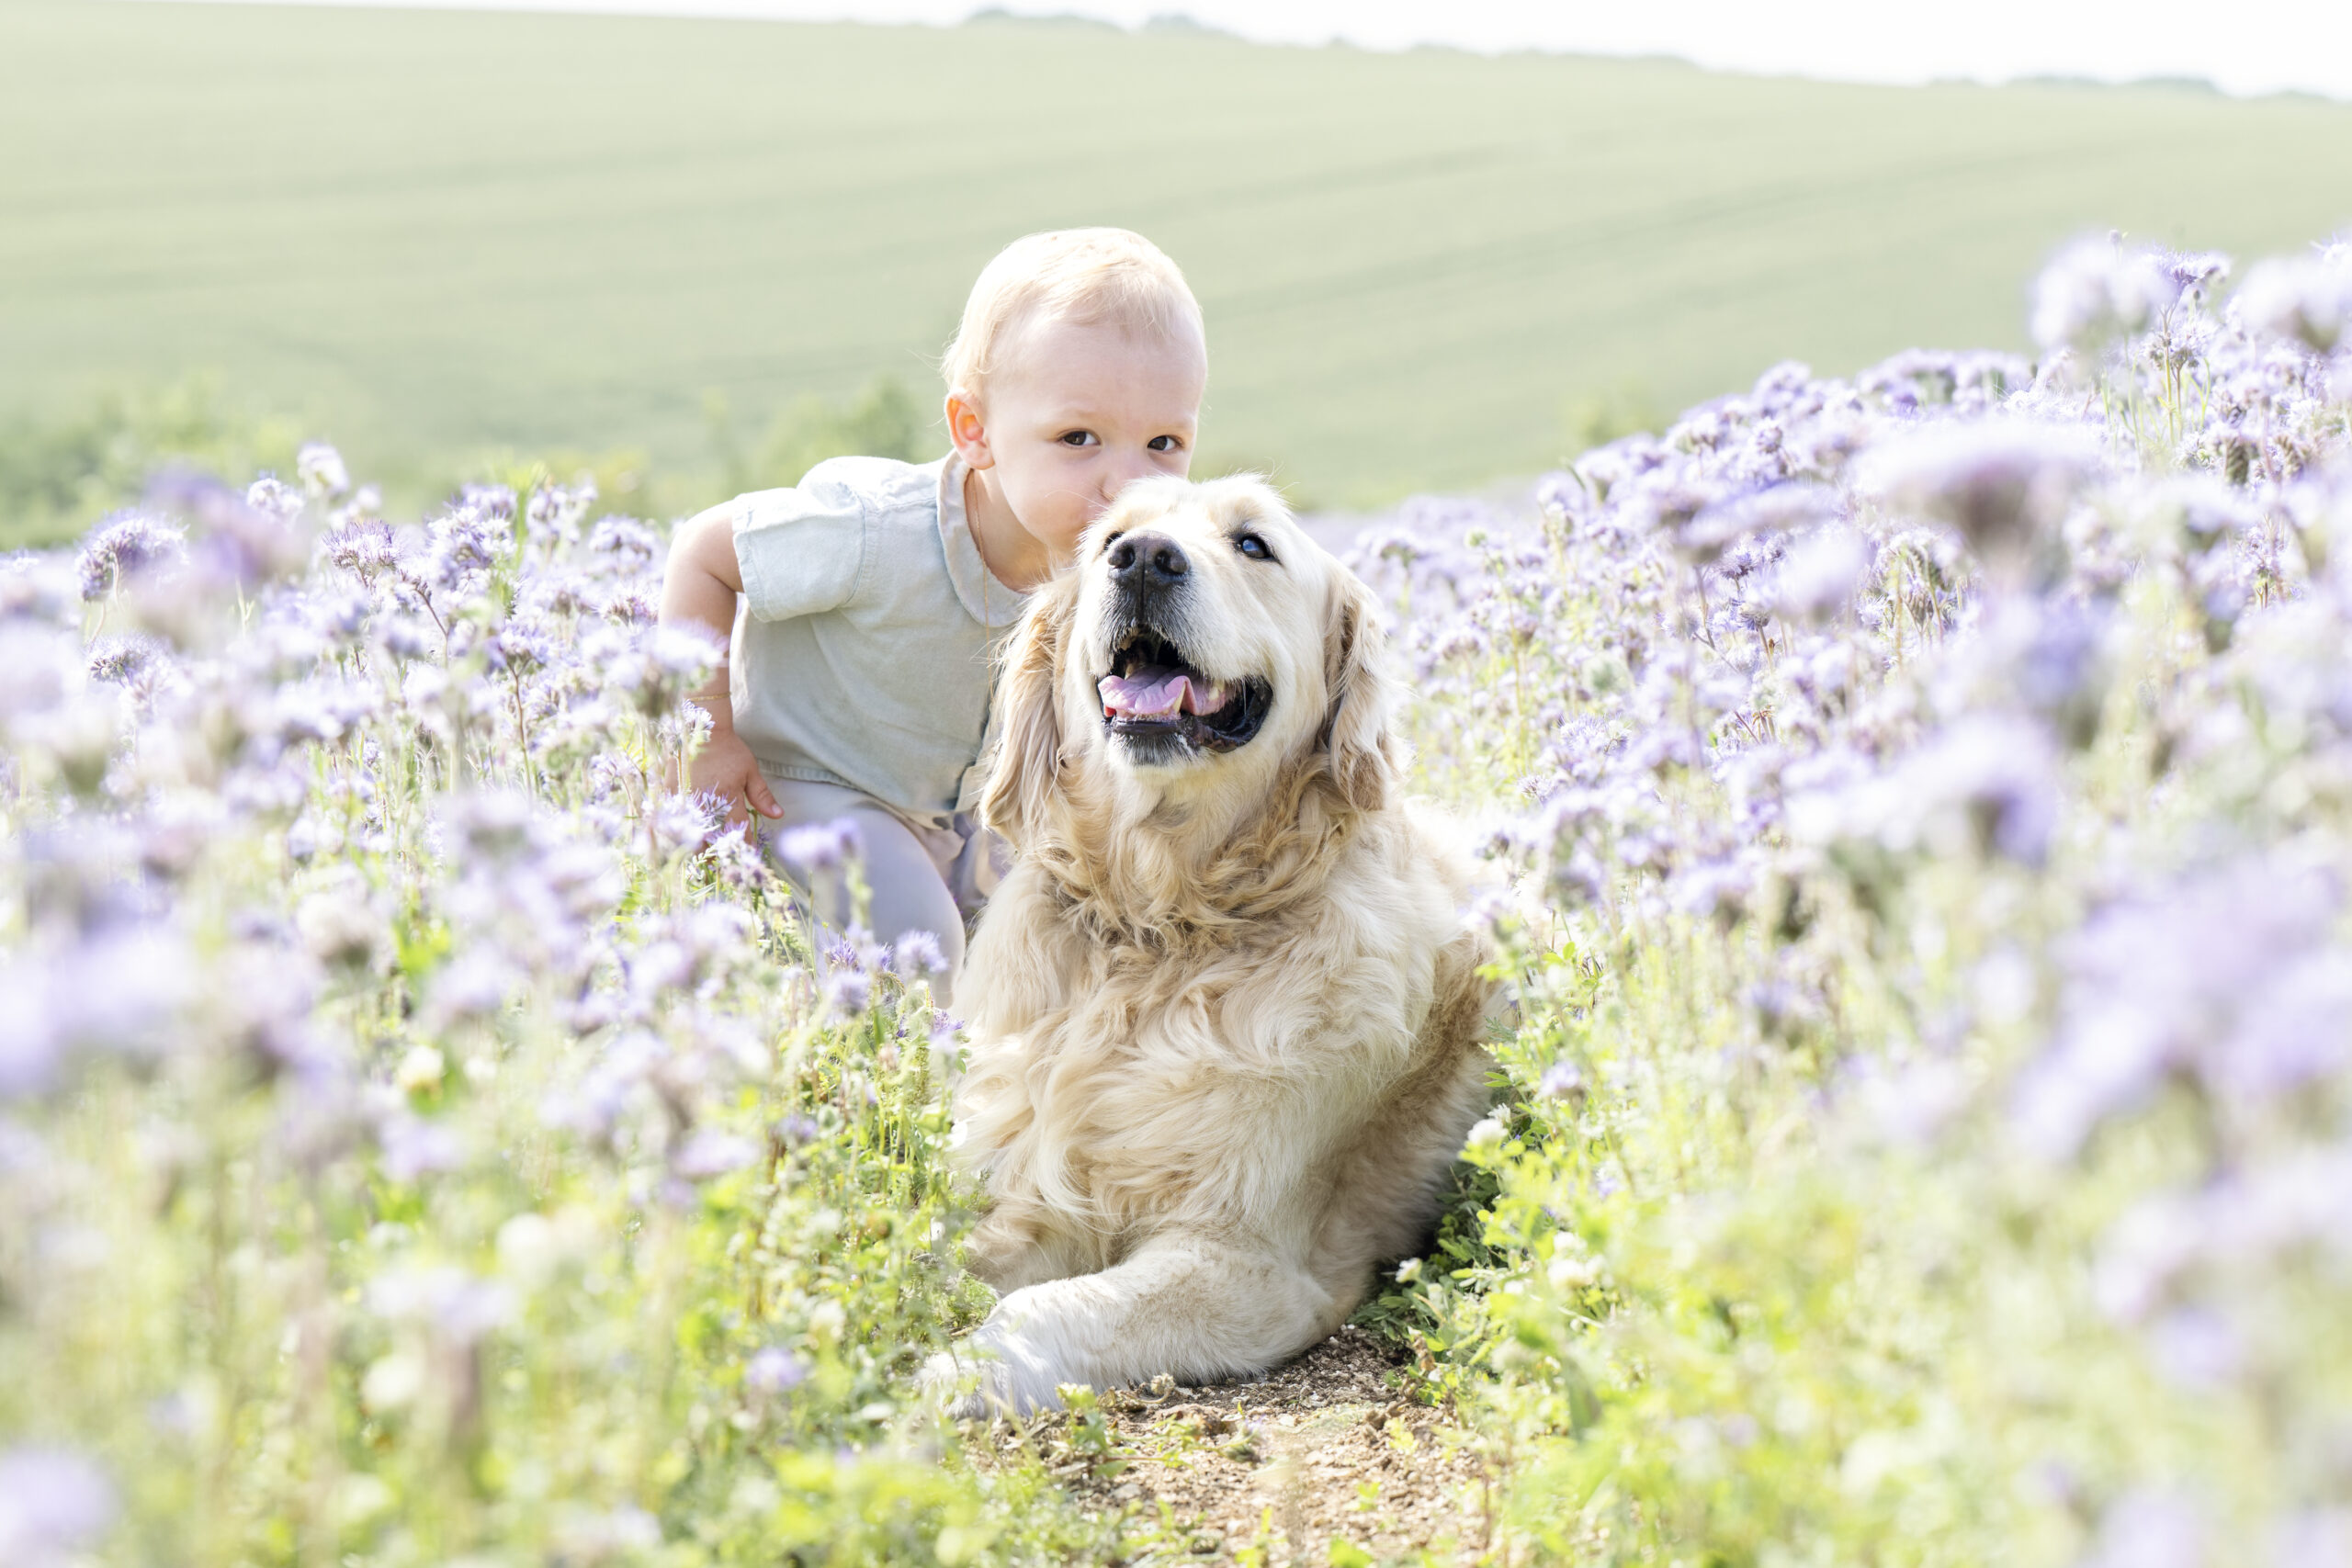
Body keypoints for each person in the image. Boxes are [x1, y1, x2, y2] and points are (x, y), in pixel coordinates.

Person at [658, 228, 1209, 1001]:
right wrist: (706, 736)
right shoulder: (871, 531)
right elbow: (701, 553)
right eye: (1078, 438)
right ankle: (887, 1091)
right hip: (814, 781)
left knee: (1071, 943)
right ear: (973, 431)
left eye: (1163, 443)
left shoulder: (1110, 569)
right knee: (919, 940)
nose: (1127, 482)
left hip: (961, 812)